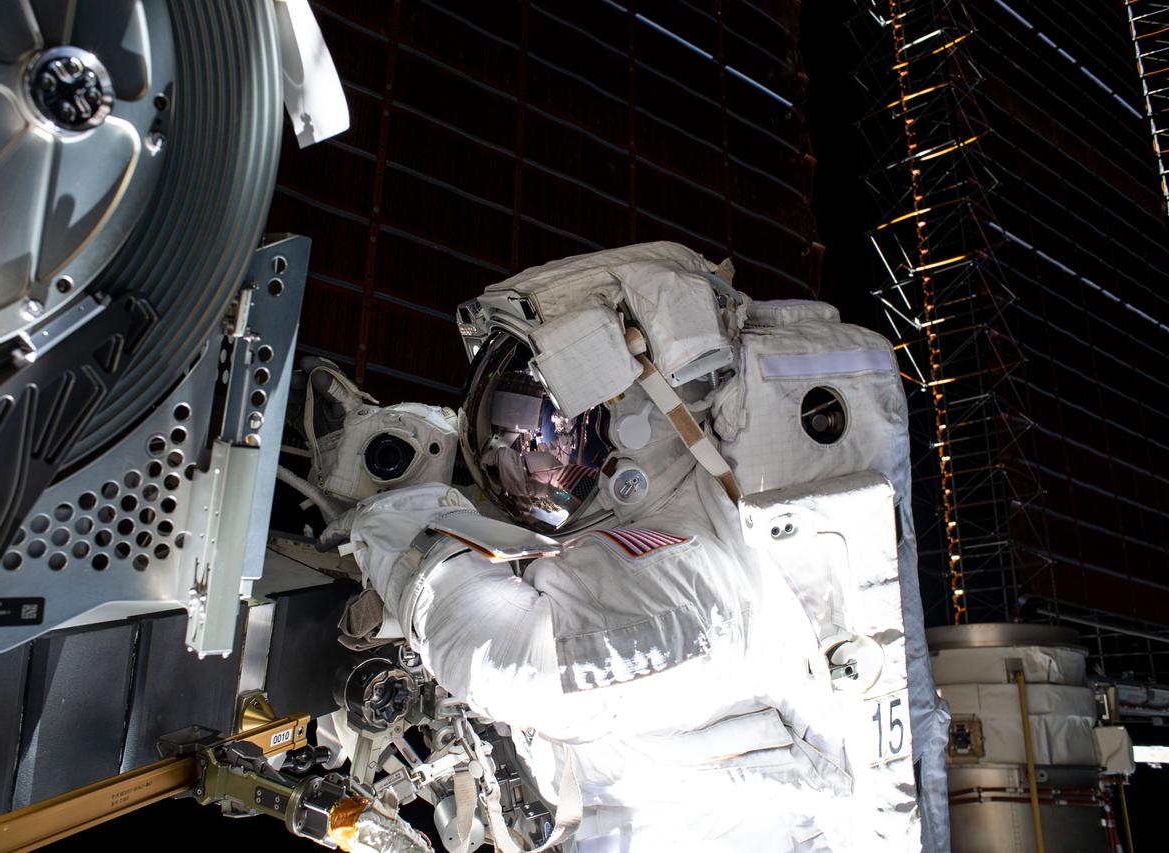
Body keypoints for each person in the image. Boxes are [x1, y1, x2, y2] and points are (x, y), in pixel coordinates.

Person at [316, 242, 949, 852]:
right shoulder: (671, 538)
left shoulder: (705, 573)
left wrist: (405, 536)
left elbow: (519, 667)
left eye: (535, 433)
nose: (509, 460)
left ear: (634, 419)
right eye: (501, 437)